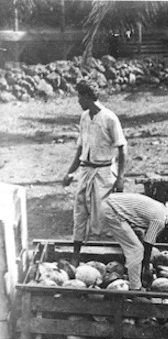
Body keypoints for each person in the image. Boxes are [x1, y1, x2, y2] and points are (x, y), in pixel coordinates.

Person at [62, 80, 127, 265]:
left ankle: (125, 252)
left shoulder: (109, 118)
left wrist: (120, 177)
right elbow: (80, 148)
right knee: (79, 212)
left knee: (107, 216)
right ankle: (76, 255)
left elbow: (122, 148)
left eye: (79, 97)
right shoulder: (84, 117)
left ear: (87, 97)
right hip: (85, 171)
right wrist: (69, 173)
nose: (77, 101)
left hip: (104, 172)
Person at [101, 192, 168, 291]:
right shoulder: (160, 221)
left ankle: (132, 274)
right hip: (111, 209)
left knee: (137, 238)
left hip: (108, 202)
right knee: (136, 249)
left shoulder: (162, 208)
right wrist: (146, 268)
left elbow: (143, 236)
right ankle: (136, 289)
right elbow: (148, 244)